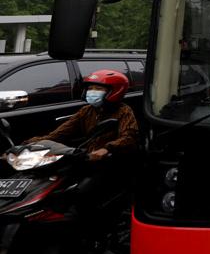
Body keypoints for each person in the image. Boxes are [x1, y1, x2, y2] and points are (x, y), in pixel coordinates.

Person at [24, 69, 139, 216]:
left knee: (82, 193)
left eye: (98, 88)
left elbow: (129, 136)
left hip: (112, 161)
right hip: (86, 158)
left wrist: (106, 149)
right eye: (90, 88)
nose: (93, 92)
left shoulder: (124, 111)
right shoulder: (86, 111)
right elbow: (58, 134)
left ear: (114, 91)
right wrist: (25, 145)